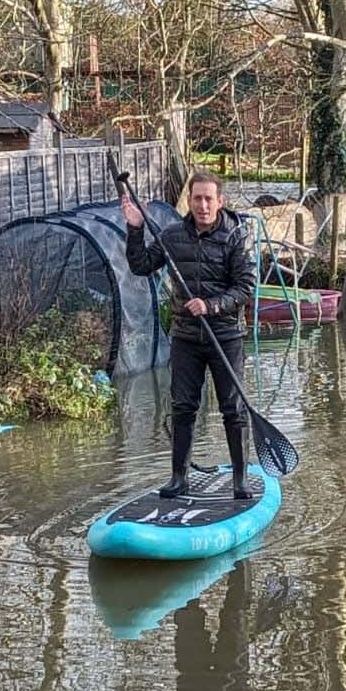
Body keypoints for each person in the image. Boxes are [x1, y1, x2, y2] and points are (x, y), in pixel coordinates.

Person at [123, 170, 256, 500]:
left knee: (233, 409)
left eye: (209, 198)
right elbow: (140, 265)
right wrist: (135, 228)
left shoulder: (236, 236)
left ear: (220, 201)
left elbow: (245, 287)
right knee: (183, 407)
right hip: (186, 338)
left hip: (225, 336)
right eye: (197, 198)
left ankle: (240, 479)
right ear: (189, 201)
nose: (203, 204)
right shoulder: (172, 236)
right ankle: (178, 478)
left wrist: (211, 306)